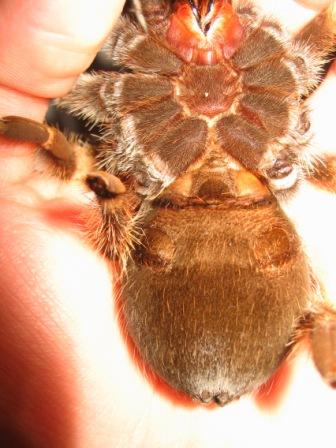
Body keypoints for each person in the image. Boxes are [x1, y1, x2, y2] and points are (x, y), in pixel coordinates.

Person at [0, 1, 335, 446]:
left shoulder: (126, 91)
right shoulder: (283, 82)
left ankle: (113, 208)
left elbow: (78, 144)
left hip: (165, 224)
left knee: (109, 191)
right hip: (227, 234)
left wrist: (96, 188)